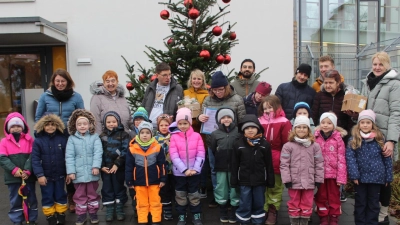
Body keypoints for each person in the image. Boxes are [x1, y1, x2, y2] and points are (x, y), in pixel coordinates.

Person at [35, 68, 84, 213]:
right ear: (53, 82)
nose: (60, 84)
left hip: (70, 136)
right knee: (54, 165)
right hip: (51, 136)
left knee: (70, 166)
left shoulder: (76, 97)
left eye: (63, 81)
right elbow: (38, 117)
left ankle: (71, 196)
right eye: (57, 81)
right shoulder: (45, 96)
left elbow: (82, 115)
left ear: (68, 82)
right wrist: (37, 134)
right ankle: (54, 198)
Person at [359, 51, 400, 224]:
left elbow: (396, 113)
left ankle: (383, 214)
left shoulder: (394, 84)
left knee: (384, 178)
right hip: (367, 137)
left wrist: (391, 140)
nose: (377, 67)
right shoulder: (367, 82)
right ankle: (371, 211)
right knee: (369, 174)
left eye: (380, 64)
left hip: (384, 138)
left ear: (387, 65)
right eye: (375, 64)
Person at [198, 71, 245, 207]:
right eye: (215, 90)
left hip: (232, 143)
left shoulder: (237, 100)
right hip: (213, 143)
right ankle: (219, 196)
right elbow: (203, 116)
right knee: (215, 170)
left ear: (227, 87)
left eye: (221, 89)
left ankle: (233, 196)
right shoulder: (208, 100)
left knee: (232, 169)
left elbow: (242, 122)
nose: (218, 92)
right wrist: (201, 118)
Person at [346, 110, 393, 225]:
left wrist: (388, 177)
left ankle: (372, 222)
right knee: (360, 203)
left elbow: (387, 159)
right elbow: (350, 158)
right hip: (360, 178)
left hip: (377, 178)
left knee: (373, 203)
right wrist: (354, 175)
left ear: (373, 124)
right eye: (362, 122)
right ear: (359, 124)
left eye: (368, 122)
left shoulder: (380, 139)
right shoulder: (353, 140)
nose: (365, 125)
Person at [231, 114, 274, 225]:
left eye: (253, 127)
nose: (250, 130)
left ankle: (258, 221)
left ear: (258, 128)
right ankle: (243, 221)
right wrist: (234, 181)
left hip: (260, 181)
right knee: (244, 202)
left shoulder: (265, 145)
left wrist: (270, 181)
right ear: (243, 130)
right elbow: (234, 164)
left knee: (259, 203)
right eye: (247, 128)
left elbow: (269, 164)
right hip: (244, 180)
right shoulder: (238, 145)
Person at [280, 116, 324, 225]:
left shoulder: (315, 146)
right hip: (294, 180)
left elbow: (319, 163)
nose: (301, 129)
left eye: (304, 127)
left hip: (309, 180)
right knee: (294, 202)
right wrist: (286, 179)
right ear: (294, 129)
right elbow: (284, 164)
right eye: (298, 127)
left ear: (309, 130)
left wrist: (318, 179)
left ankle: (304, 221)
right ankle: (294, 221)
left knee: (307, 202)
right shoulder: (288, 146)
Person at [258, 95, 292, 225]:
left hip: (277, 159)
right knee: (263, 186)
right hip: (261, 159)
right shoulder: (259, 121)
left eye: (270, 107)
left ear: (277, 107)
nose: (267, 110)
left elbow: (287, 145)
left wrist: (285, 161)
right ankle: (264, 208)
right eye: (265, 108)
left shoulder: (284, 122)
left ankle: (273, 209)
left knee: (275, 186)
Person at [0, 112, 38, 225]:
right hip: (13, 178)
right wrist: (14, 170)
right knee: (15, 200)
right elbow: (3, 159)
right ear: (8, 128)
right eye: (12, 126)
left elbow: (33, 157)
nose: (16, 129)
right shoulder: (4, 142)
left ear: (23, 127)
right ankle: (17, 220)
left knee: (31, 199)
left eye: (18, 126)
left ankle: (31, 219)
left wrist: (27, 170)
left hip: (28, 177)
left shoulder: (29, 140)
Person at [169, 108, 205, 225]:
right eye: (180, 123)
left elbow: (201, 154)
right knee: (180, 195)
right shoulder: (174, 137)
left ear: (189, 123)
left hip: (194, 173)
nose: (183, 126)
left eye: (185, 123)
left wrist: (195, 169)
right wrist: (184, 170)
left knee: (194, 194)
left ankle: (196, 214)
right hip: (180, 173)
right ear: (177, 123)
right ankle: (181, 215)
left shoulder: (197, 136)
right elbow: (174, 156)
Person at [65, 109, 102, 225]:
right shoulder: (72, 139)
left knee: (92, 194)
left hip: (92, 173)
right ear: (75, 126)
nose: (82, 126)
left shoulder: (95, 137)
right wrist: (71, 172)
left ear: (90, 124)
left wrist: (96, 166)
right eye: (79, 124)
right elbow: (69, 156)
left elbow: (98, 152)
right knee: (79, 195)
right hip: (78, 174)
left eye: (84, 124)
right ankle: (81, 215)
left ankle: (93, 213)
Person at [125, 121, 166, 225]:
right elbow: (129, 166)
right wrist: (129, 180)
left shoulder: (157, 147)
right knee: (141, 202)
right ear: (138, 133)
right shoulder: (132, 149)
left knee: (155, 201)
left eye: (147, 132)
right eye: (142, 132)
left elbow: (162, 165)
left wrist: (163, 178)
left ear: (151, 134)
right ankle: (142, 220)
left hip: (154, 181)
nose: (144, 135)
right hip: (139, 181)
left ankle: (156, 220)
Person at [31, 114, 68, 225]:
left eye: (53, 125)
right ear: (42, 126)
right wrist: (39, 175)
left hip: (60, 174)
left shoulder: (62, 139)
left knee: (60, 194)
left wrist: (68, 173)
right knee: (47, 195)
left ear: (57, 126)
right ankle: (50, 215)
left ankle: (61, 213)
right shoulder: (38, 141)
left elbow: (67, 157)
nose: (50, 127)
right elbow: (35, 159)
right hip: (45, 176)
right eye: (47, 125)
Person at [314, 112, 347, 225]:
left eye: (329, 123)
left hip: (334, 175)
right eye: (323, 122)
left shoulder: (338, 139)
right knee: (321, 196)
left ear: (334, 125)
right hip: (320, 174)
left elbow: (341, 159)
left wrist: (341, 178)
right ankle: (323, 217)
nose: (325, 125)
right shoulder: (315, 138)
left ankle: (333, 217)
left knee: (334, 197)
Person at [210, 108, 240, 223]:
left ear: (233, 119)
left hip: (234, 167)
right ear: (219, 120)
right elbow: (213, 149)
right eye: (223, 118)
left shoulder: (238, 132)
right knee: (221, 188)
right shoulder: (214, 134)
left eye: (228, 117)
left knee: (234, 189)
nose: (226, 119)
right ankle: (223, 211)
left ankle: (234, 211)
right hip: (221, 166)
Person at [183, 69, 209, 198]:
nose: (196, 81)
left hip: (200, 132)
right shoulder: (185, 93)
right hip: (186, 131)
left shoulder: (206, 95)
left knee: (200, 157)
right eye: (194, 78)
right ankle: (188, 185)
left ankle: (202, 185)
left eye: (199, 79)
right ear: (190, 80)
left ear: (203, 81)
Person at [99, 111, 129, 222]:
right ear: (105, 123)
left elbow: (125, 151)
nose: (111, 124)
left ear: (118, 121)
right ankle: (109, 209)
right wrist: (101, 166)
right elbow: (99, 152)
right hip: (106, 168)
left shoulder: (123, 135)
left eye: (114, 121)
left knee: (119, 187)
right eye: (108, 122)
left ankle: (120, 207)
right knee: (107, 188)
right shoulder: (102, 136)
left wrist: (117, 164)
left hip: (118, 168)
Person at [311, 69, 354, 140]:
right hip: (322, 137)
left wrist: (349, 136)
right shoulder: (319, 96)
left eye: (331, 83)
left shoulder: (346, 96)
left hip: (341, 136)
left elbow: (350, 119)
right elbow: (314, 116)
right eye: (326, 82)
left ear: (338, 83)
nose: (328, 85)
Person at [142, 62, 183, 128]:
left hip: (166, 128)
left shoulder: (177, 88)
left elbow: (181, 109)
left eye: (169, 74)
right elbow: (143, 107)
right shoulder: (150, 87)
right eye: (164, 75)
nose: (168, 77)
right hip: (149, 127)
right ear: (157, 75)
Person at [90, 70, 132, 134]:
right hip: (107, 140)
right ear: (103, 83)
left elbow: (129, 119)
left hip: (124, 138)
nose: (110, 84)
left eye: (113, 81)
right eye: (107, 81)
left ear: (117, 82)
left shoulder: (122, 98)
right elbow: (95, 121)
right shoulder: (97, 98)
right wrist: (100, 138)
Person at [154, 114, 174, 221]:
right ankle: (167, 209)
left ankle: (177, 208)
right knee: (164, 190)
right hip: (161, 170)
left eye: (166, 125)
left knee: (174, 188)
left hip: (174, 169)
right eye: (161, 125)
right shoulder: (155, 139)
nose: (164, 127)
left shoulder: (174, 137)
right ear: (158, 126)